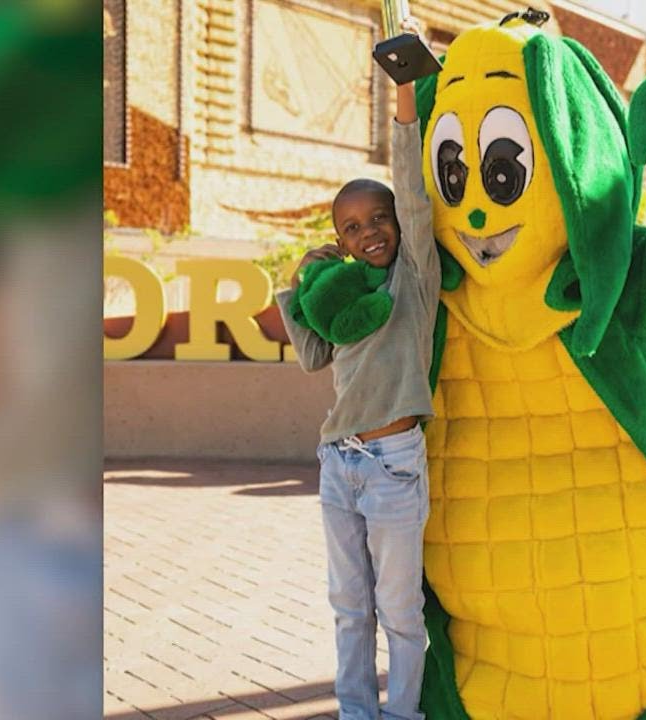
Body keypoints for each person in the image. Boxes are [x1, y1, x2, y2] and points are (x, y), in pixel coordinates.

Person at [274, 21, 439, 720]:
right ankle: (355, 714)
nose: (369, 231)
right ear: (338, 237)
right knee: (348, 608)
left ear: (397, 226)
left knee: (400, 613)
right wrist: (292, 288)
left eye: (379, 219)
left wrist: (405, 92)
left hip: (396, 464)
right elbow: (313, 357)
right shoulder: (342, 298)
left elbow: (411, 187)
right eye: (351, 227)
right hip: (337, 462)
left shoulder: (414, 280)